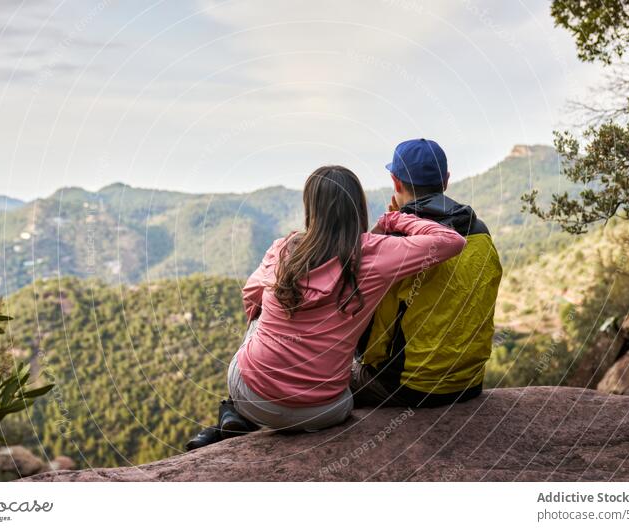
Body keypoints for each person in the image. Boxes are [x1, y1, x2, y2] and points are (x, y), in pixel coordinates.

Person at [186, 164, 466, 450]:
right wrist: (397, 218)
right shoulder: (375, 253)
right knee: (345, 386)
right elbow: (451, 240)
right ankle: (247, 412)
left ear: (311, 208)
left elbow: (251, 295)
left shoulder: (283, 249)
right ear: (358, 205)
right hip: (323, 411)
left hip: (252, 397)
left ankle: (236, 412)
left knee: (259, 310)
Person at [351, 139, 503, 408]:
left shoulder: (398, 243)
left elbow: (372, 333)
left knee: (314, 382)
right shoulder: (480, 232)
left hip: (407, 386)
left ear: (395, 183)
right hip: (468, 384)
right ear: (445, 181)